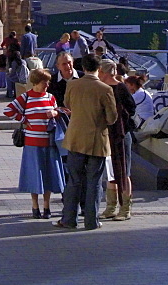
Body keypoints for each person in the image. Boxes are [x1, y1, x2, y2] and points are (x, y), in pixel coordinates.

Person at [53, 53, 118, 232]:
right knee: (94, 182)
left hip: (75, 139)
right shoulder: (105, 89)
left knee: (74, 180)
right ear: (99, 69)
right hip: (97, 140)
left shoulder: (72, 85)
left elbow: (68, 105)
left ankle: (69, 219)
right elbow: (112, 118)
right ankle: (91, 220)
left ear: (83, 67)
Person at [4, 68, 65, 219]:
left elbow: (57, 111)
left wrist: (55, 113)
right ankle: (35, 206)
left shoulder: (50, 97)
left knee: (48, 174)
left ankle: (46, 206)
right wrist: (24, 120)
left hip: (49, 141)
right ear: (37, 82)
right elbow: (8, 110)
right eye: (45, 81)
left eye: (48, 81)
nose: (47, 84)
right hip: (32, 142)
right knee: (34, 174)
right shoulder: (26, 97)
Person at [98, 59, 136, 221]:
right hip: (108, 134)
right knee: (111, 170)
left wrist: (121, 120)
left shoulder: (120, 88)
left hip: (120, 133)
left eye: (100, 71)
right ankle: (111, 206)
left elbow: (131, 108)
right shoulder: (103, 88)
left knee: (123, 170)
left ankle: (125, 207)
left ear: (104, 72)